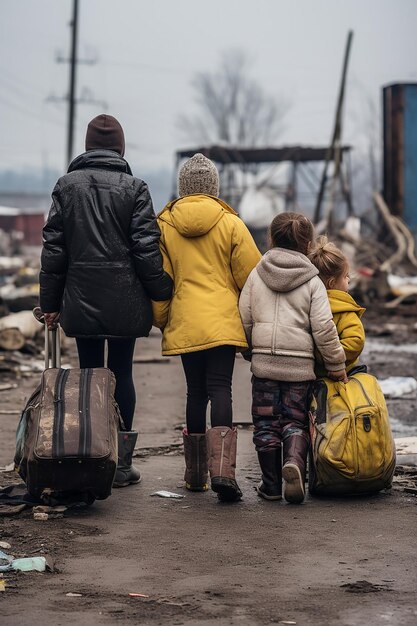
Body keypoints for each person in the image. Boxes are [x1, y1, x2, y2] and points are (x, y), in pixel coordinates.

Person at [39, 114, 172, 488]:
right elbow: (147, 250)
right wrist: (161, 291)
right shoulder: (136, 188)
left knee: (89, 375)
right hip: (126, 300)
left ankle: (91, 454)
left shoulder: (66, 187)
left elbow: (54, 251)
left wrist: (50, 302)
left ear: (86, 147)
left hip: (80, 299)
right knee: (122, 374)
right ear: (120, 148)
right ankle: (122, 465)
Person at [152, 153, 261, 502]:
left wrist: (163, 318)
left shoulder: (165, 225)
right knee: (221, 389)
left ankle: (195, 476)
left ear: (183, 187)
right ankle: (223, 473)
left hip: (186, 318)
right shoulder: (231, 224)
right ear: (214, 187)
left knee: (195, 392)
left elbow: (161, 280)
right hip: (222, 320)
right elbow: (251, 277)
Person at [239, 213, 347, 504]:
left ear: (271, 239)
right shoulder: (312, 281)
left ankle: (271, 485)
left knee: (265, 423)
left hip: (264, 365)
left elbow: (245, 316)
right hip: (299, 367)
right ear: (308, 244)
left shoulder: (256, 273)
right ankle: (295, 465)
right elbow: (323, 328)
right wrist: (336, 364)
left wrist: (250, 348)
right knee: (295, 422)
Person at [308, 236, 366, 375]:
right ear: (332, 283)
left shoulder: (306, 304)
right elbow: (355, 341)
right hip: (339, 375)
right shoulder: (345, 310)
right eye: (346, 276)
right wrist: (331, 360)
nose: (349, 280)